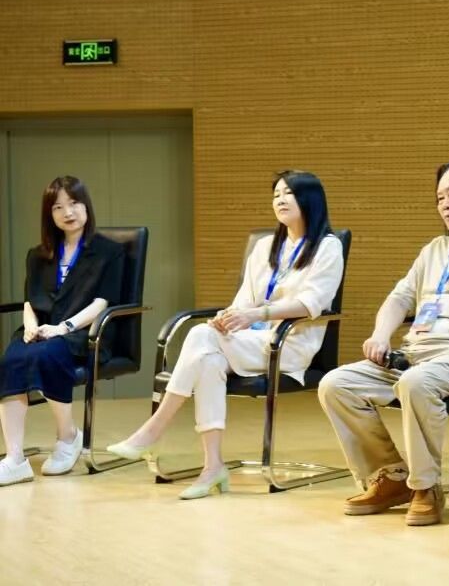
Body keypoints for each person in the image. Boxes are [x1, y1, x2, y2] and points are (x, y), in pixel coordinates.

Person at [318, 161, 449, 527]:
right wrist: (380, 335)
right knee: (337, 385)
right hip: (415, 354)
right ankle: (391, 477)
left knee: (415, 383)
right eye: (439, 198)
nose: (445, 204)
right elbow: (399, 299)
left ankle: (426, 487)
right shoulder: (435, 249)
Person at [108, 170, 343, 499]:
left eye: (288, 193)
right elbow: (243, 300)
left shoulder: (328, 247)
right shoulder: (265, 247)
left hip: (288, 344)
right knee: (208, 357)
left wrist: (255, 315)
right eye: (276, 194)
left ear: (310, 199)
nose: (280, 200)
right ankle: (212, 466)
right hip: (250, 341)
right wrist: (228, 317)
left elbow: (310, 303)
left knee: (200, 337)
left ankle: (152, 431)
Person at [0, 176, 123, 486]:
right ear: (49, 214)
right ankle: (14, 459)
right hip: (43, 329)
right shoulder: (38, 255)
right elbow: (29, 300)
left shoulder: (109, 252)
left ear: (86, 206)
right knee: (11, 359)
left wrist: (63, 327)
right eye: (58, 207)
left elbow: (102, 302)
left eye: (74, 203)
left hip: (85, 333)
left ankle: (67, 437)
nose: (68, 212)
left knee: (49, 354)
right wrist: (30, 326)